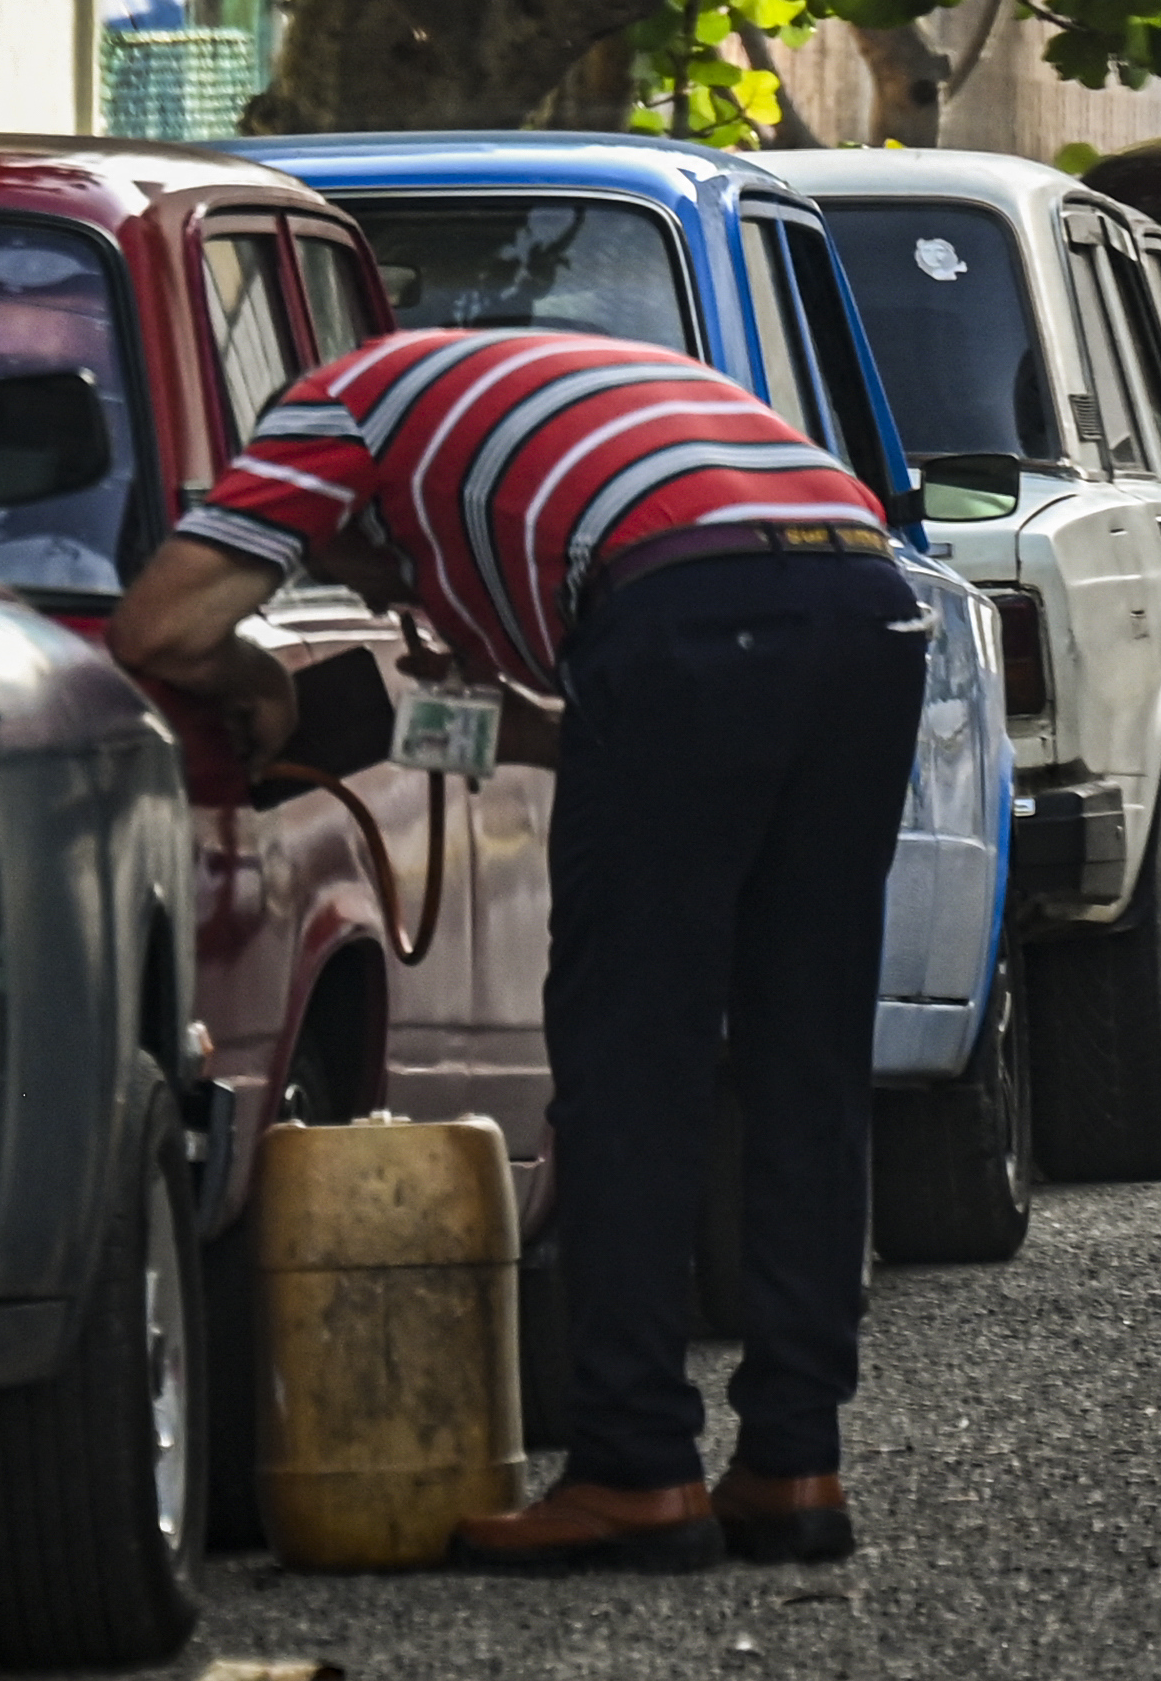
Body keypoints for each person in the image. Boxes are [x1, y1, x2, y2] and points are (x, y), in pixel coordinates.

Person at [106, 327, 926, 1575]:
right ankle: (792, 1463)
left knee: (628, 1060)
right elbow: (602, 732)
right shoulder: (539, 399)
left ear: (326, 504)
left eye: (353, 569)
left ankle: (635, 1471)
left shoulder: (341, 406)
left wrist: (257, 679)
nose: (386, 601)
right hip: (863, 600)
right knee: (802, 1056)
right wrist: (398, 719)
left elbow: (162, 627)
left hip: (685, 608)